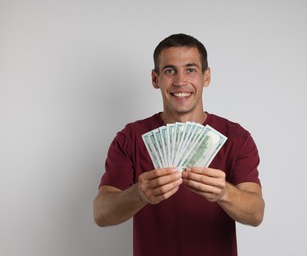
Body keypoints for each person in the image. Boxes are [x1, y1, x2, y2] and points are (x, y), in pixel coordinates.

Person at [93, 33, 265, 256]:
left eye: (190, 69)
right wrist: (138, 194)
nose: (180, 81)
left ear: (206, 77)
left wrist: (224, 193)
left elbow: (256, 214)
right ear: (155, 79)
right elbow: (101, 213)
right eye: (169, 70)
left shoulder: (236, 137)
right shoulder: (130, 137)